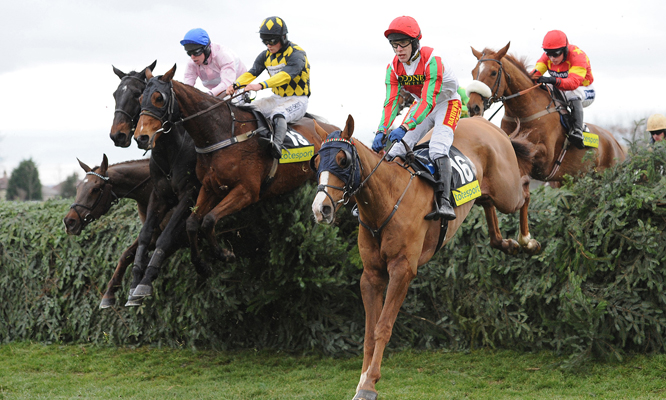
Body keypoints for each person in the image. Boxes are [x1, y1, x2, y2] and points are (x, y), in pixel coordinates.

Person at [371, 16, 461, 221]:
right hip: (422, 103)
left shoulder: (432, 60)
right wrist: (381, 130)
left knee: (438, 148)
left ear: (415, 43)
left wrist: (404, 126)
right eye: (394, 44)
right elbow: (391, 102)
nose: (398, 50)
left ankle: (445, 201)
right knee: (395, 150)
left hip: (446, 103)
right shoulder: (393, 68)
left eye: (403, 43)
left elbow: (429, 101)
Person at [225, 16, 310, 159]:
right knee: (248, 108)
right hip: (276, 98)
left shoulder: (297, 54)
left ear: (283, 38)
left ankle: (277, 146)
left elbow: (285, 76)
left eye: (272, 41)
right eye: (265, 42)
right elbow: (252, 72)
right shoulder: (265, 55)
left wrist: (260, 86)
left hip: (298, 99)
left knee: (278, 112)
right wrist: (236, 84)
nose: (268, 45)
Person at [531, 30, 595, 149]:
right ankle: (564, 120)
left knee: (571, 92)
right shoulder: (547, 57)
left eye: (555, 54)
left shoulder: (578, 56)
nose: (552, 58)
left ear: (565, 49)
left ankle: (578, 130)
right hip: (564, 89)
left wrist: (553, 80)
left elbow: (573, 83)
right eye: (548, 54)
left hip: (584, 90)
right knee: (545, 88)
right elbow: (534, 74)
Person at [180, 28, 247, 98]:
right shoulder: (192, 62)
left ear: (206, 49)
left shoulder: (223, 55)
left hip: (238, 88)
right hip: (216, 92)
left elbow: (227, 83)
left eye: (196, 52)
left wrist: (206, 96)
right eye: (189, 53)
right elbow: (187, 87)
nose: (192, 57)